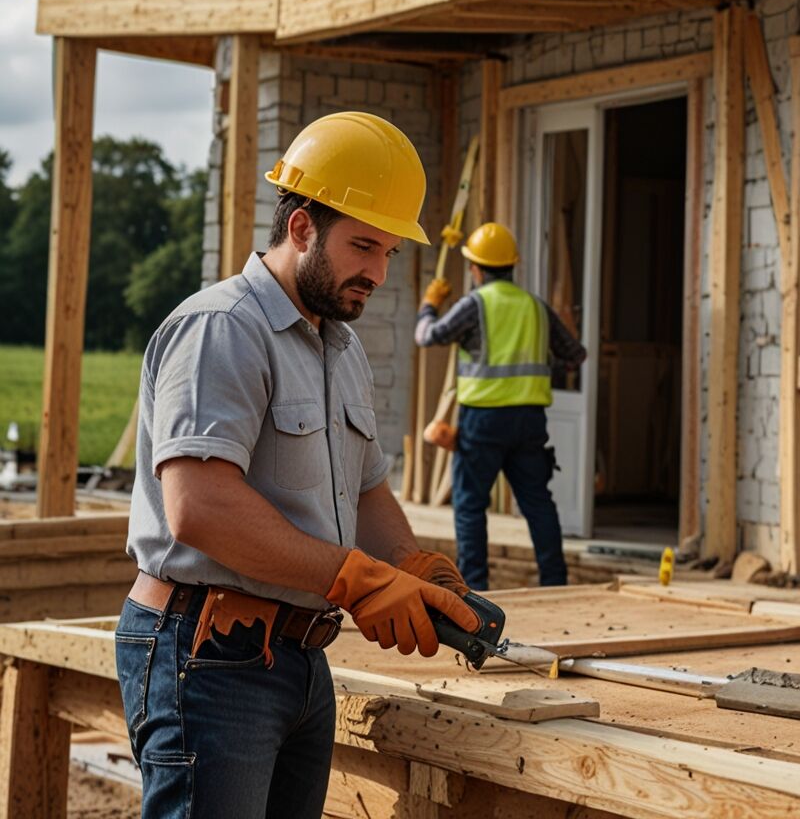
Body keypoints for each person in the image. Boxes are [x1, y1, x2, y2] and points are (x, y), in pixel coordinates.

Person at [115, 112, 478, 819]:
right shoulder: (222, 328)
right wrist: (354, 578)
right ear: (302, 227)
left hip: (300, 658)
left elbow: (367, 488)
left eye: (390, 253)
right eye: (364, 246)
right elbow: (199, 506)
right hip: (206, 655)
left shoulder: (338, 347)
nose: (377, 272)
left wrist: (407, 560)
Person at [414, 222, 586, 590]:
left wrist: (429, 304)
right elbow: (575, 356)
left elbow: (427, 337)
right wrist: (544, 367)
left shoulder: (474, 304)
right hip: (529, 420)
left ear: (476, 268)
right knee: (538, 503)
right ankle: (555, 583)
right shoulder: (535, 307)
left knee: (470, 504)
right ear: (511, 265)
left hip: (483, 421)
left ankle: (475, 586)